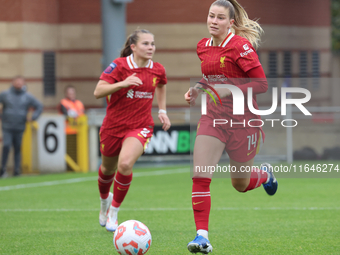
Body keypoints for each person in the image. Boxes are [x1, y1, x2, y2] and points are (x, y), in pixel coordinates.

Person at [184, 0, 278, 253]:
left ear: (230, 23)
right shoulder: (202, 46)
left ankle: (266, 175)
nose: (213, 21)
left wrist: (230, 90)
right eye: (211, 16)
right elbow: (211, 78)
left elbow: (261, 85)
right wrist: (197, 90)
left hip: (242, 123)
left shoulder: (240, 46)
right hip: (213, 118)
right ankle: (201, 237)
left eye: (220, 18)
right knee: (200, 174)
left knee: (241, 184)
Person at [93, 29, 171, 232]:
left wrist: (162, 110)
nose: (151, 47)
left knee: (125, 163)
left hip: (140, 125)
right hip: (113, 126)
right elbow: (98, 92)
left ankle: (114, 212)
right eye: (146, 44)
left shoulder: (158, 69)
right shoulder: (119, 66)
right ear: (133, 47)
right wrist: (123, 83)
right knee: (107, 170)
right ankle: (104, 202)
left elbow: (162, 85)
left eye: (152, 44)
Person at [0, 76, 43, 177]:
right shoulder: (5, 94)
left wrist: (33, 117)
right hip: (7, 126)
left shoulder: (27, 96)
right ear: (13, 82)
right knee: (6, 146)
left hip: (20, 126)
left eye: (21, 82)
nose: (19, 83)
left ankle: (17, 170)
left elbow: (39, 106)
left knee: (18, 148)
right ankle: (2, 169)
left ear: (23, 83)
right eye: (17, 81)